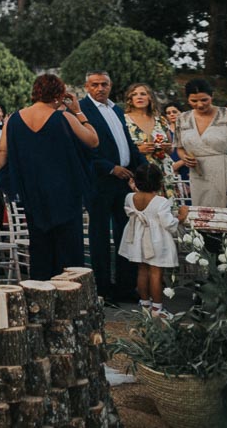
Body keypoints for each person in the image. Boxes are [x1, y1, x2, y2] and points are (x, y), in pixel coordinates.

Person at [0, 74, 99, 280]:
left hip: (33, 192)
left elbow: (1, 154)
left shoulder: (13, 119)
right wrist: (78, 111)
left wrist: (10, 177)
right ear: (59, 95)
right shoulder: (64, 117)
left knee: (40, 246)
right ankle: (70, 294)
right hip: (64, 192)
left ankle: (41, 296)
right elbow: (93, 140)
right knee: (68, 248)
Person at [80, 70, 147, 303]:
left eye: (104, 84)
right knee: (99, 236)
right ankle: (102, 289)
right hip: (99, 181)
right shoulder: (81, 109)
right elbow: (84, 150)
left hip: (123, 181)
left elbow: (127, 142)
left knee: (125, 234)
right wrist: (110, 167)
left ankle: (125, 287)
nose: (100, 88)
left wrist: (145, 169)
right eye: (95, 84)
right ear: (87, 86)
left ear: (111, 85)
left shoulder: (116, 109)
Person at [119, 163, 189, 317]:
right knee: (156, 274)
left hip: (138, 240)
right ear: (159, 182)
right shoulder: (161, 202)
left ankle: (145, 305)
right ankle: (157, 309)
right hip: (156, 241)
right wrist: (181, 217)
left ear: (136, 181)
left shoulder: (130, 197)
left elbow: (139, 202)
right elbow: (169, 224)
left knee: (142, 271)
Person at [175, 78, 227, 209]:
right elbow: (180, 148)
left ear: (212, 96)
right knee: (203, 216)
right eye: (194, 101)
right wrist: (186, 158)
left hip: (226, 173)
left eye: (204, 100)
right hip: (198, 174)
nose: (199, 105)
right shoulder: (182, 119)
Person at [124, 83, 176, 197]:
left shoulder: (161, 120)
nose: (139, 97)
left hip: (163, 170)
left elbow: (171, 149)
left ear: (150, 97)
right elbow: (120, 147)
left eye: (143, 94)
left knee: (165, 208)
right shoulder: (123, 120)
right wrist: (138, 150)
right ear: (130, 99)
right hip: (139, 170)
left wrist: (167, 148)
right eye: (134, 94)